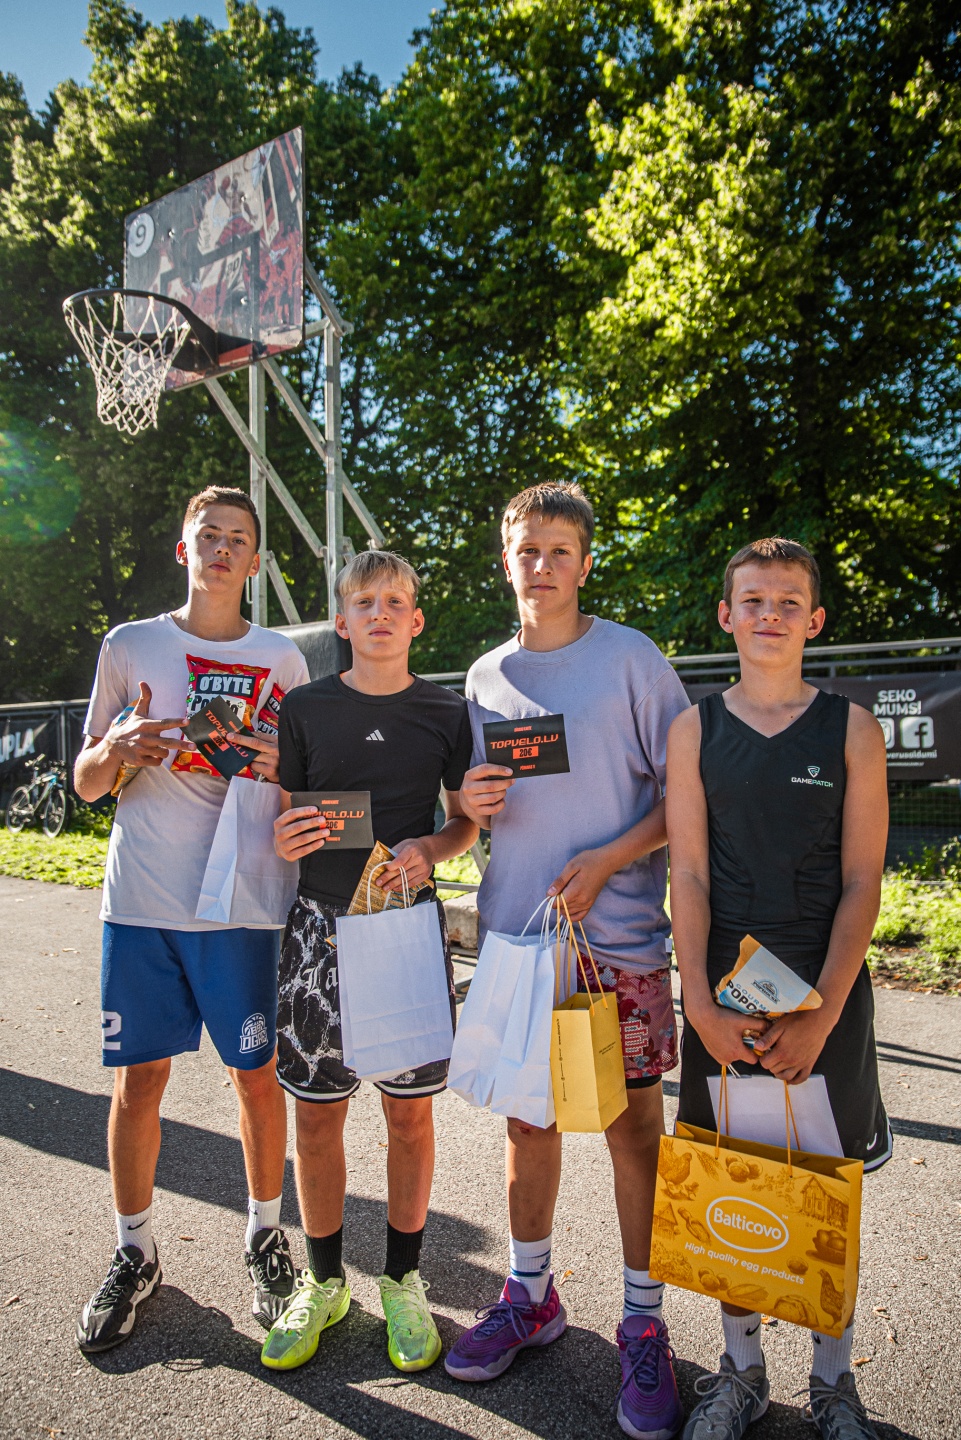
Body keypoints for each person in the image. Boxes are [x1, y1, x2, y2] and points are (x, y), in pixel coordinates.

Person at [447, 482, 690, 1440]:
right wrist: (467, 804)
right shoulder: (483, 676)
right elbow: (470, 813)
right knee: (528, 1124)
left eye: (558, 549)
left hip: (616, 942)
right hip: (517, 942)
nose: (540, 565)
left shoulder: (631, 660)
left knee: (633, 1130)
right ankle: (530, 1295)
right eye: (525, 550)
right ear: (504, 562)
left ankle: (642, 1320)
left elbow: (686, 798)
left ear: (585, 563)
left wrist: (609, 859)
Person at [74, 486, 311, 1353]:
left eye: (237, 538)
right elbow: (85, 783)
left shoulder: (282, 659)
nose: (221, 549)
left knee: (256, 1077)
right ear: (184, 549)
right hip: (142, 901)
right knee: (139, 1081)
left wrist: (278, 760)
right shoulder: (130, 645)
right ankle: (134, 1250)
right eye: (207, 535)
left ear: (255, 560)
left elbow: (306, 779)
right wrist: (116, 750)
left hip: (243, 903)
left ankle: (265, 1238)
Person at [666, 537, 890, 1440]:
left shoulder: (851, 728)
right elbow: (687, 872)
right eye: (752, 600)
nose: (769, 614)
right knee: (733, 1180)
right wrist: (698, 1003)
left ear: (815, 620)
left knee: (826, 1187)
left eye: (788, 602)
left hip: (822, 994)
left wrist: (822, 1013)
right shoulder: (693, 729)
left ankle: (833, 1383)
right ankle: (741, 1372)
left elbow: (863, 880)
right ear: (726, 615)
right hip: (724, 995)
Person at [262, 550, 477, 1375]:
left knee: (408, 1116)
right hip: (318, 932)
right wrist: (287, 836)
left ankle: (402, 1280)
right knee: (317, 1118)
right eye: (363, 602)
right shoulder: (304, 708)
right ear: (341, 621)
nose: (379, 613)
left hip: (405, 929)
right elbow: (290, 817)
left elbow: (463, 824)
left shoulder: (446, 711)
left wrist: (431, 848)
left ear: (415, 619)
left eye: (394, 601)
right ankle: (323, 1283)